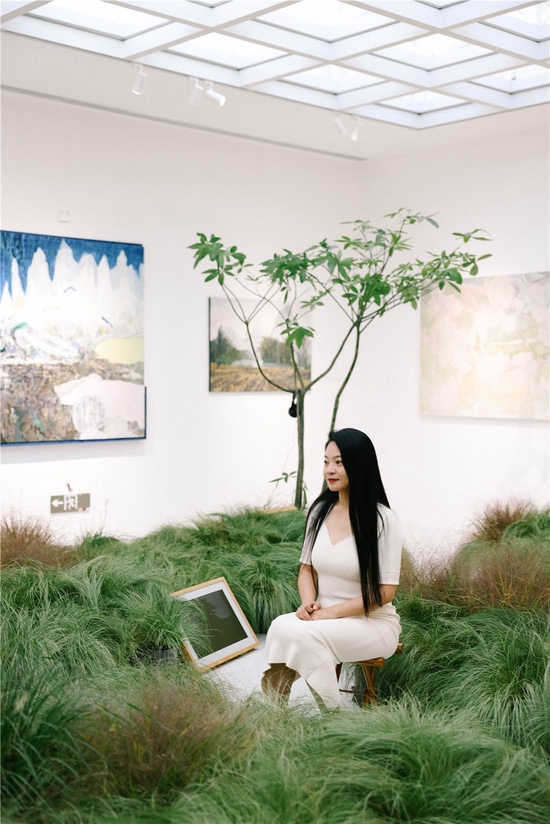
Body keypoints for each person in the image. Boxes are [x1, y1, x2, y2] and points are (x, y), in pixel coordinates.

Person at [262, 428, 402, 709]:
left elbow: (385, 593)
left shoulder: (383, 520)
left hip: (371, 623)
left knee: (307, 637)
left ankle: (330, 715)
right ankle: (275, 712)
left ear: (359, 465)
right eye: (326, 461)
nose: (329, 470)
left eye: (339, 462)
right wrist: (308, 604)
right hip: (322, 618)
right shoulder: (319, 511)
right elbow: (306, 570)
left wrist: (331, 613)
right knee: (279, 626)